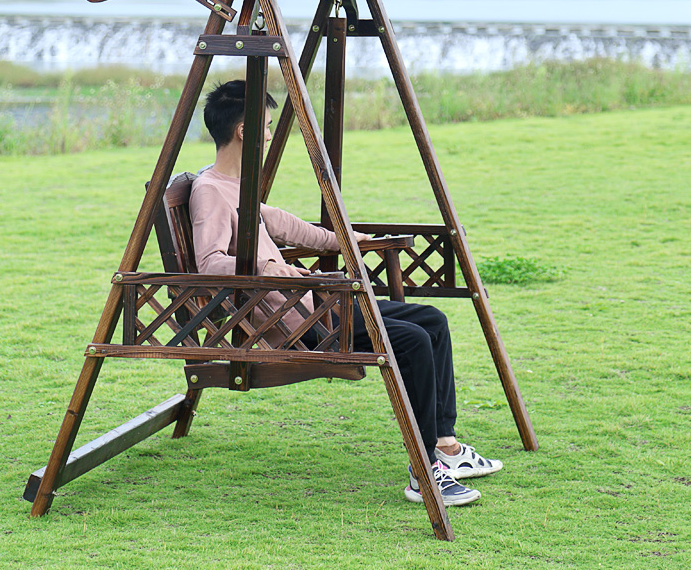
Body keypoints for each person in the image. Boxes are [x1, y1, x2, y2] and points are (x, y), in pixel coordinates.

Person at [189, 80, 503, 506]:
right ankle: (423, 470)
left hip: (313, 306)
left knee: (431, 320)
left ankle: (445, 447)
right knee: (411, 342)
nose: (267, 134)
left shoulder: (236, 184)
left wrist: (347, 240)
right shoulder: (209, 191)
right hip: (298, 323)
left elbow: (283, 223)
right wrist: (279, 271)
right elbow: (209, 263)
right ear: (242, 130)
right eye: (264, 126)